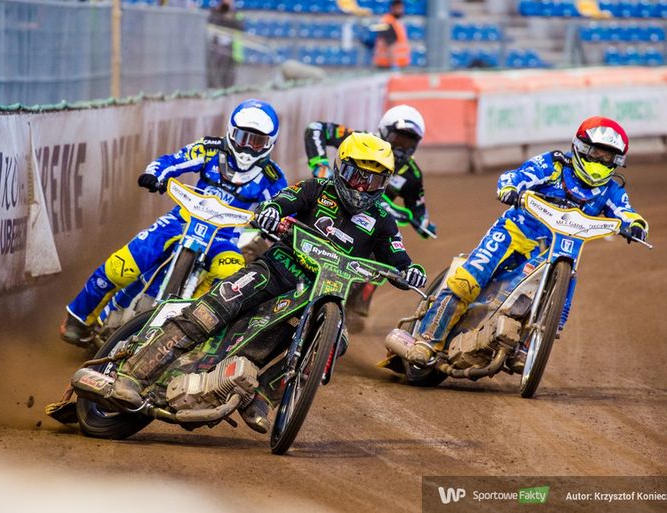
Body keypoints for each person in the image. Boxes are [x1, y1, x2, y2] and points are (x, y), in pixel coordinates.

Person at [109, 132, 427, 433]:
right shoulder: (315, 189)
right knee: (210, 312)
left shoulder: (383, 220)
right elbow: (282, 201)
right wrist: (272, 211)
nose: (362, 188)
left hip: (320, 296)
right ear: (340, 168)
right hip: (276, 269)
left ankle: (261, 397)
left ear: (385, 183)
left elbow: (397, 256)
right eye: (357, 176)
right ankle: (132, 376)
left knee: (335, 339)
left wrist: (409, 270)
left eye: (373, 181)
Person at [404, 116, 649, 366]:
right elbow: (517, 176)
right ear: (582, 148)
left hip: (553, 250)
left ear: (617, 161)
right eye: (597, 152)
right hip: (515, 231)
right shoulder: (554, 164)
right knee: (470, 279)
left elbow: (626, 212)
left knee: (549, 302)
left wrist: (636, 226)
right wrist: (509, 188)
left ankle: (523, 346)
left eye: (608, 157)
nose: (600, 160)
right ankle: (427, 340)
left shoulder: (611, 190)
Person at [59, 99, 287, 347]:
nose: (248, 147)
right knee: (123, 265)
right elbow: (171, 161)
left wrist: (277, 223)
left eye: (257, 141)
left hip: (224, 238)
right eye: (243, 138)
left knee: (231, 281)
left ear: (269, 143)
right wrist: (155, 174)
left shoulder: (273, 178)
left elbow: (283, 208)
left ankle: (195, 336)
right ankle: (78, 319)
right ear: (231, 132)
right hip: (180, 221)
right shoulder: (209, 149)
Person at [305, 105, 434, 323]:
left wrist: (423, 223)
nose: (401, 149)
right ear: (383, 131)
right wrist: (319, 164)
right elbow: (316, 129)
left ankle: (354, 307)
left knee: (382, 249)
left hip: (367, 220)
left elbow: (418, 209)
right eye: (397, 140)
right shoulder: (359, 141)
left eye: (408, 144)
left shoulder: (412, 174)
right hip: (330, 203)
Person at [207, 0, 244, 89]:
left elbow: (240, 27)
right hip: (216, 48)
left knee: (229, 74)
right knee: (215, 73)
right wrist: (220, 14)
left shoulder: (237, 14)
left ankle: (228, 89)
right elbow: (212, 22)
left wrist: (229, 18)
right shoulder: (215, 11)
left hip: (231, 49)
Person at [372, 0, 410, 70]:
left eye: (401, 8)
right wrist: (394, 65)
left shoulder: (395, 21)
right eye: (398, 8)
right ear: (392, 8)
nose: (400, 10)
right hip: (386, 66)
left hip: (398, 64)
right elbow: (390, 45)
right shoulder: (388, 22)